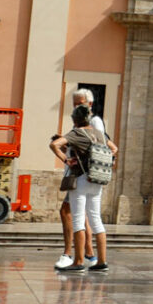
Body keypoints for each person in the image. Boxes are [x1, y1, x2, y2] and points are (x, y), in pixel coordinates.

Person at [49, 105, 112, 272]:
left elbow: (55, 144)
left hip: (81, 180)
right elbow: (114, 149)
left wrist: (66, 159)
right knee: (96, 219)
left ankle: (78, 261)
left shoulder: (76, 133)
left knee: (78, 219)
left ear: (75, 120)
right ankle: (102, 261)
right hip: (97, 180)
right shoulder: (100, 134)